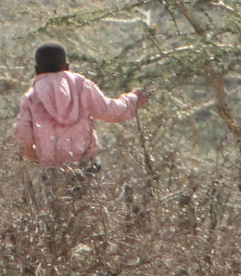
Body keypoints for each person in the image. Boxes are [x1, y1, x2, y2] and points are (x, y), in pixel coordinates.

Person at [14, 42, 148, 182]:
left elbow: (23, 135)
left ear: (36, 70)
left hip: (53, 170)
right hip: (86, 164)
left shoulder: (31, 97)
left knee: (59, 204)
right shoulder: (81, 86)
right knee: (89, 202)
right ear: (67, 67)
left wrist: (36, 159)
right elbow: (109, 110)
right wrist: (133, 100)